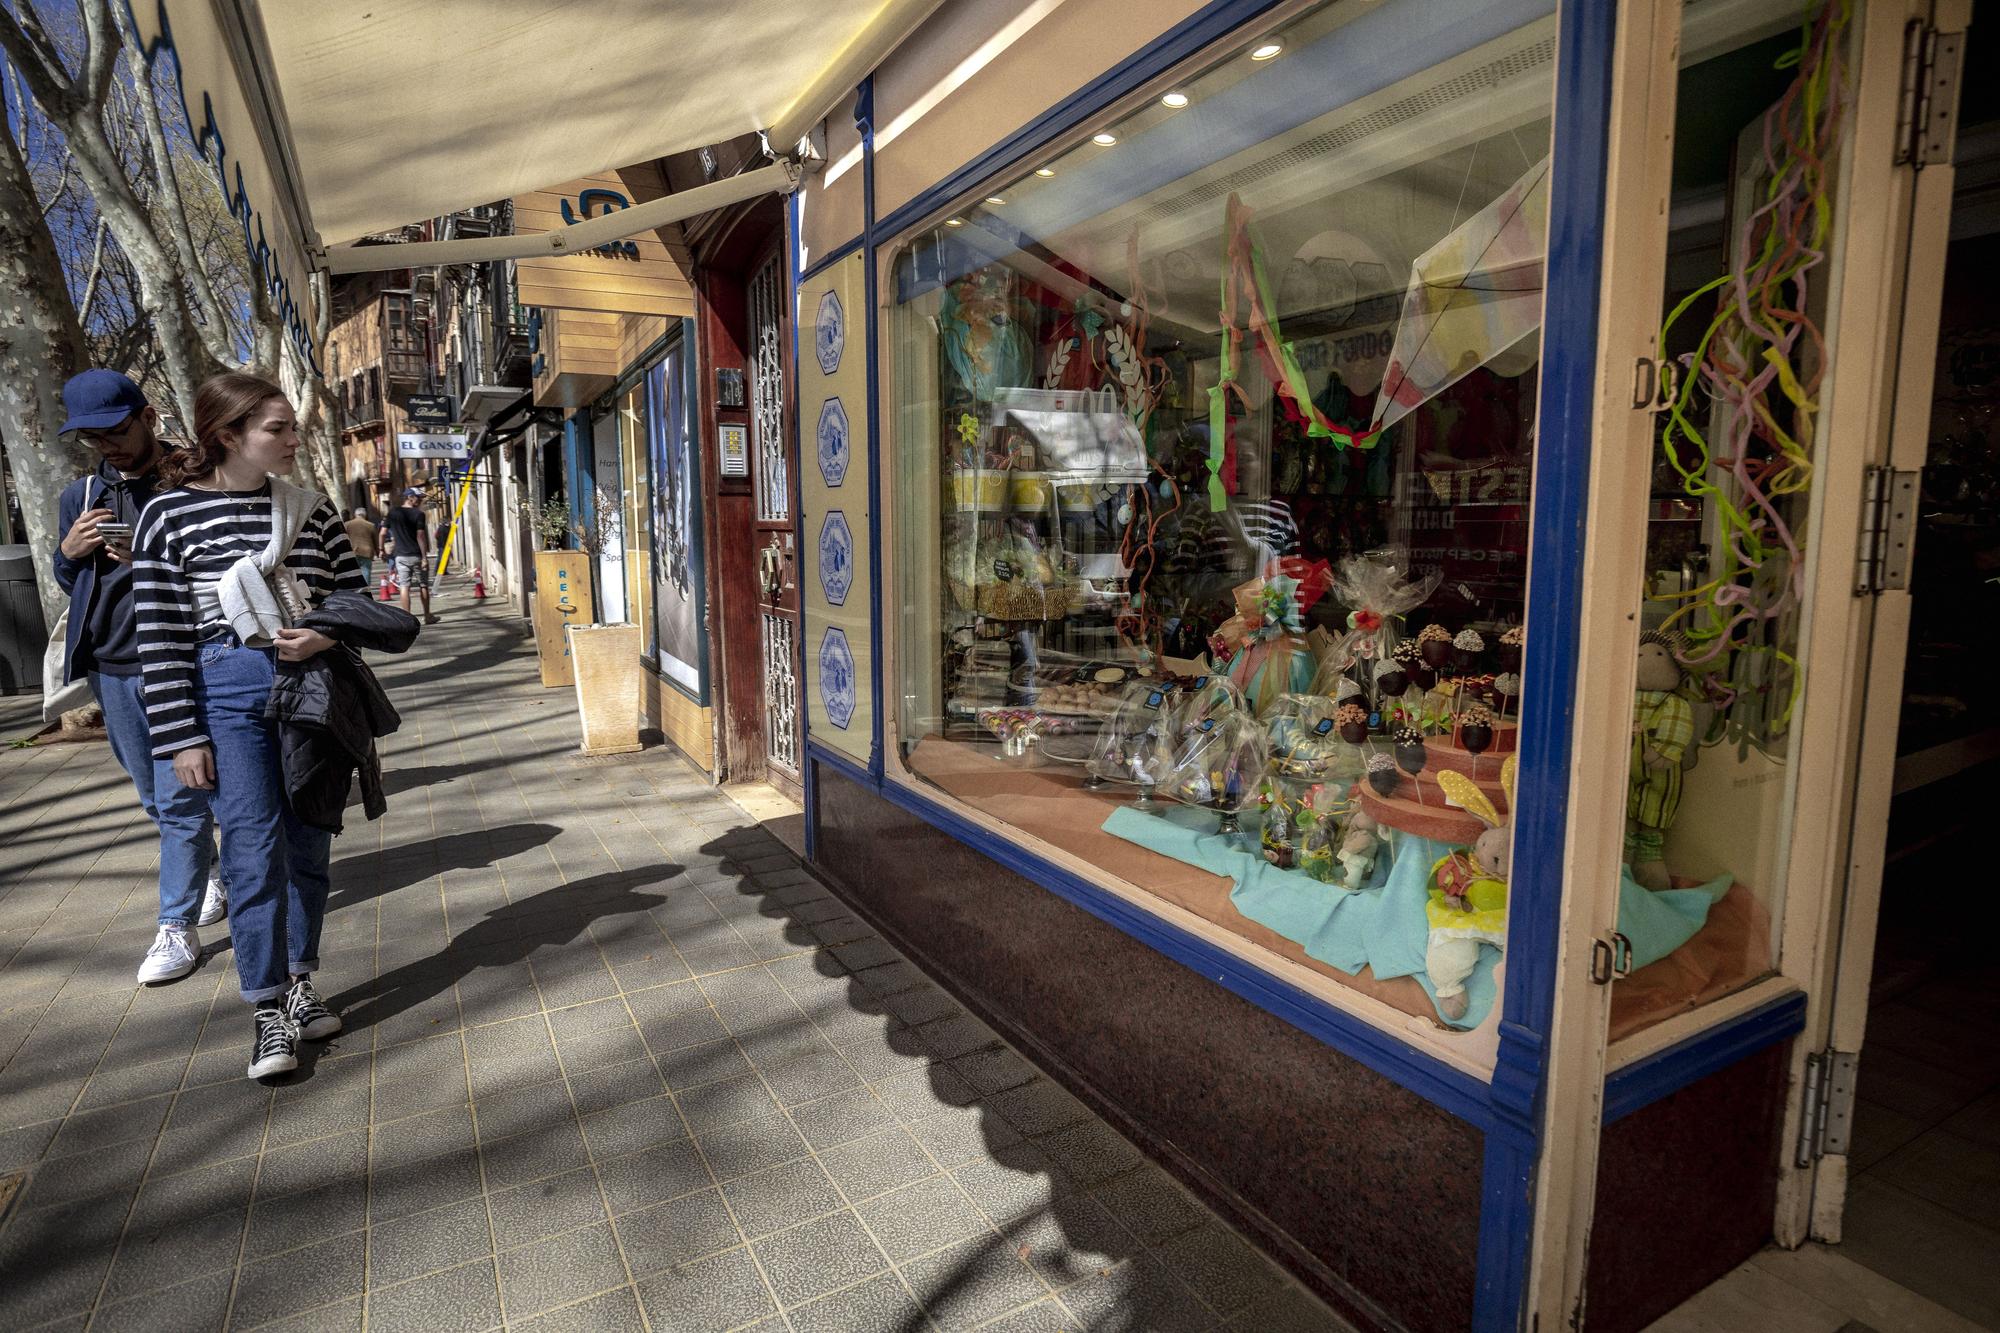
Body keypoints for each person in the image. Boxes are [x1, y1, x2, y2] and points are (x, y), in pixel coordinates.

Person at [133, 371, 367, 1079]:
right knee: (250, 846)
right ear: (227, 434)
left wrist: (323, 635)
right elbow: (161, 637)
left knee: (310, 836)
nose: (295, 439)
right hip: (224, 689)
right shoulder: (167, 517)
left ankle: (301, 982)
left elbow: (352, 599)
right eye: (279, 429)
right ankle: (265, 1007)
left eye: (293, 427)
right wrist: (181, 737)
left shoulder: (311, 510)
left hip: (311, 689)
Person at [50, 370, 226, 985]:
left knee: (179, 802)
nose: (108, 447)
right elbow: (72, 582)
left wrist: (151, 554)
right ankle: (209, 872)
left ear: (147, 416)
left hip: (180, 657)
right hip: (110, 664)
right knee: (155, 798)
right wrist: (67, 556)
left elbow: (223, 565)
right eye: (93, 439)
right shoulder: (83, 496)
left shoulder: (195, 476)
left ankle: (175, 928)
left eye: (116, 431)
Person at [383, 487, 437, 623]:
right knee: (423, 585)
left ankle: (407, 619)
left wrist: (380, 549)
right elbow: (420, 535)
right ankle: (427, 616)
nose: (420, 500)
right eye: (418, 498)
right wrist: (424, 557)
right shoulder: (418, 514)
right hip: (416, 555)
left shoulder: (392, 513)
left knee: (404, 586)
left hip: (400, 556)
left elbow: (382, 533)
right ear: (410, 497)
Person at [342, 506, 378, 587]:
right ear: (365, 515)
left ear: (355, 514)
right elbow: (375, 541)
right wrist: (378, 552)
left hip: (351, 552)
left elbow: (342, 538)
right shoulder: (370, 525)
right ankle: (365, 590)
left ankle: (354, 589)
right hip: (367, 552)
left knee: (352, 572)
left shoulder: (347, 524)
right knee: (366, 571)